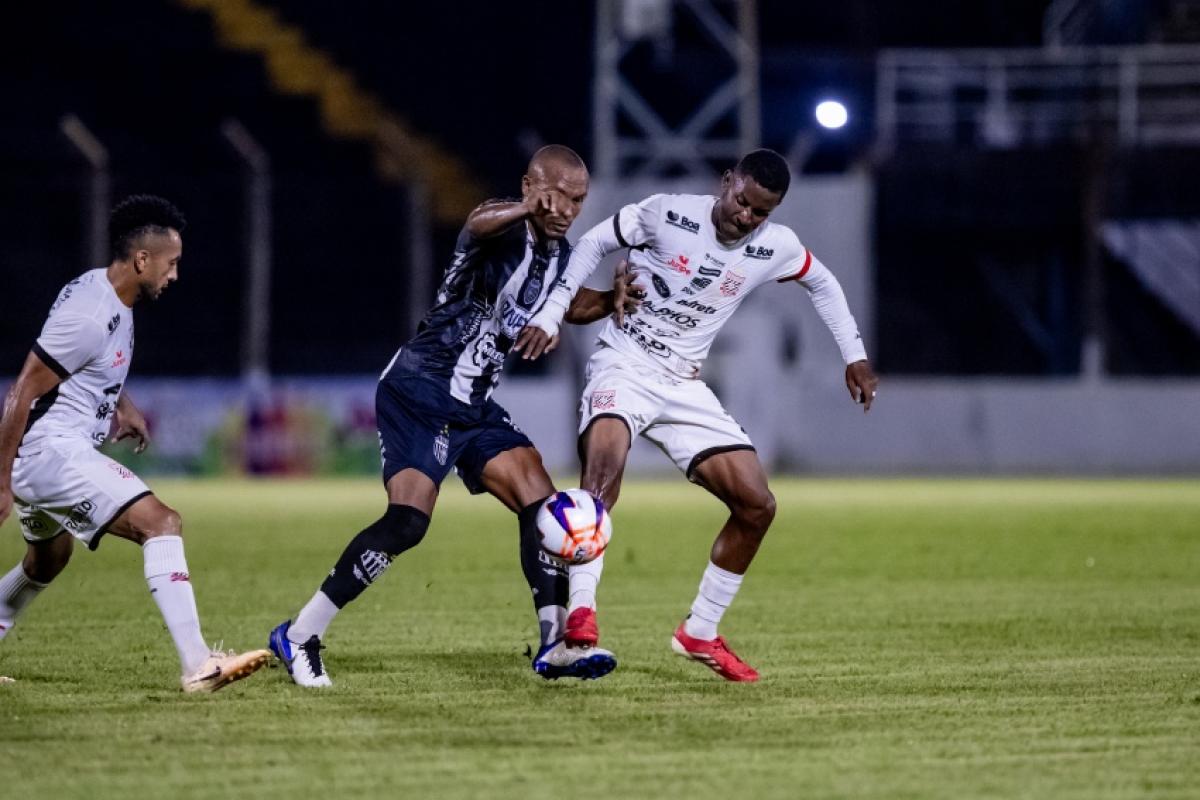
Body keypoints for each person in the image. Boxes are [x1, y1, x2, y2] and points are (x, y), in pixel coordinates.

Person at [268, 145, 636, 687]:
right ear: (531, 185)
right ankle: (299, 635)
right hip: (421, 387)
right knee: (408, 523)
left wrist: (611, 299)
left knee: (545, 510)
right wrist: (524, 208)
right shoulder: (501, 227)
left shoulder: (560, 256)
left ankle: (556, 645)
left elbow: (570, 301)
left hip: (475, 406)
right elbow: (476, 223)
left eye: (578, 200)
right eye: (557, 195)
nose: (567, 209)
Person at [527, 149, 880, 682]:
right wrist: (554, 312)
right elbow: (597, 239)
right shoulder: (667, 212)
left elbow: (823, 282)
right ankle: (582, 614)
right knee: (600, 477)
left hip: (685, 386)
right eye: (741, 201)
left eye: (761, 212)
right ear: (726, 182)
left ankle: (700, 631)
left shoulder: (774, 247)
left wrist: (853, 354)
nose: (746, 217)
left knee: (757, 505)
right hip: (624, 362)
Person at [0, 195, 271, 692]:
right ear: (142, 259)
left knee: (48, 560)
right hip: (50, 451)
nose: (175, 275)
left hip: (48, 452)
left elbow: (84, 362)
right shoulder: (91, 312)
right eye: (171, 264)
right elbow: (22, 390)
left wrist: (121, 403)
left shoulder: (103, 291)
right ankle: (199, 664)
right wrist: (0, 481)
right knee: (161, 522)